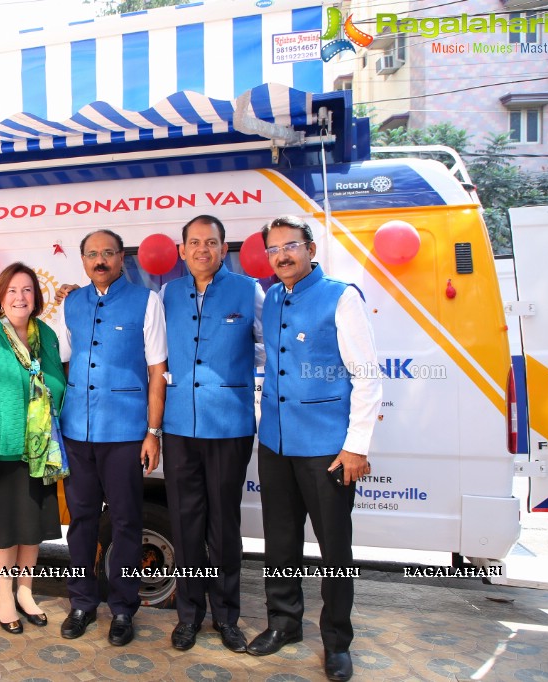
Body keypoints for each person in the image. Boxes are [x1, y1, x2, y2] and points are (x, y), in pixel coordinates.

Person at [246, 215, 381, 682]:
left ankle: (337, 642)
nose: (282, 255)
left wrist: (356, 447)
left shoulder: (340, 297)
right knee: (280, 543)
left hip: (328, 449)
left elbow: (366, 375)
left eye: (291, 246)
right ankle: (283, 624)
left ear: (310, 249)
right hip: (278, 444)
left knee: (334, 550)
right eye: (274, 249)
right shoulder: (275, 299)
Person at [58, 230, 167, 647]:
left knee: (126, 522)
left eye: (108, 253)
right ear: (82, 259)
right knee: (82, 522)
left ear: (122, 258)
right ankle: (82, 603)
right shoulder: (71, 303)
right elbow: (60, 365)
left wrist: (152, 432)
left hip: (125, 434)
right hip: (77, 433)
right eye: (92, 254)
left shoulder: (146, 301)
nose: (100, 260)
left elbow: (158, 370)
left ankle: (123, 609)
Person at [162, 215, 265, 652]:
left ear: (225, 249)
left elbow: (266, 345)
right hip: (179, 425)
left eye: (211, 242)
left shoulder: (248, 290)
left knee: (224, 525)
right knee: (186, 525)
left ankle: (227, 617)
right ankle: (189, 616)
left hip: (229, 425)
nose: (202, 249)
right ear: (182, 251)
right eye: (194, 242)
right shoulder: (167, 293)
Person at [0, 262, 66, 636]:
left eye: (27, 290)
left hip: (39, 449)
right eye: (13, 291)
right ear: (0, 298)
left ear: (36, 298)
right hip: (0, 451)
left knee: (31, 527)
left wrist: (49, 397)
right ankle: (4, 595)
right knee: (4, 530)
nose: (21, 297)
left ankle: (26, 592)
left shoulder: (46, 336)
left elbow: (59, 381)